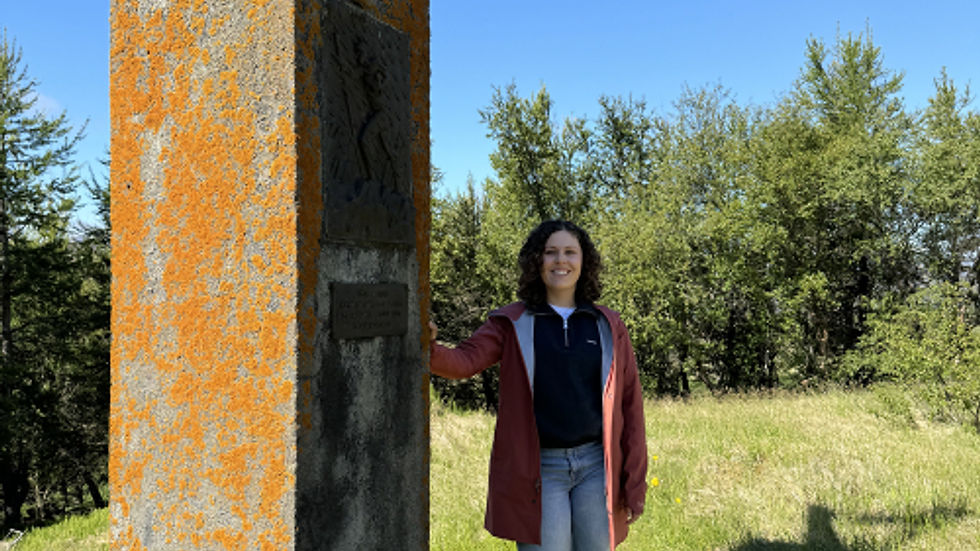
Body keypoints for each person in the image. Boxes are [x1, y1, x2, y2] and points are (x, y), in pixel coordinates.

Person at [429, 220, 648, 551]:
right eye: (551, 252)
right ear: (537, 261)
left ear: (583, 261)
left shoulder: (607, 324)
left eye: (570, 252)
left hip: (596, 467)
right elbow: (464, 362)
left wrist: (634, 483)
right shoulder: (512, 321)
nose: (561, 260)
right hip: (541, 471)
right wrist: (426, 346)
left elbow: (631, 407)